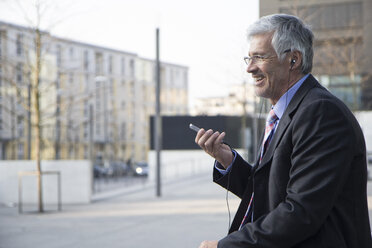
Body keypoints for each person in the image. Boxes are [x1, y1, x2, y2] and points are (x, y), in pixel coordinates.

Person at [195, 14, 372, 248]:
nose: (249, 68)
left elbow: (301, 212)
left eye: (259, 57)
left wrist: (225, 246)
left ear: (293, 60)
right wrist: (229, 161)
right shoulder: (286, 112)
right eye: (249, 58)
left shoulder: (320, 113)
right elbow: (272, 193)